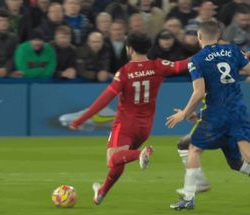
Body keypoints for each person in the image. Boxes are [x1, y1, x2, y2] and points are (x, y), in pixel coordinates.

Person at [70, 31, 190, 205]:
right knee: (120, 159)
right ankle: (101, 193)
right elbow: (183, 65)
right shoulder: (158, 65)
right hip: (145, 127)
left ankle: (140, 154)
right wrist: (209, 53)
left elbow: (104, 100)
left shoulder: (125, 72)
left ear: (130, 48)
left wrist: (79, 120)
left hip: (125, 123)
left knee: (112, 159)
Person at [166, 21, 250, 210]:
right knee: (241, 158)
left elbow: (199, 93)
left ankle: (189, 197)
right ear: (219, 35)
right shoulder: (233, 50)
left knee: (192, 148)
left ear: (199, 37)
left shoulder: (197, 60)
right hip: (238, 109)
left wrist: (184, 114)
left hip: (217, 114)